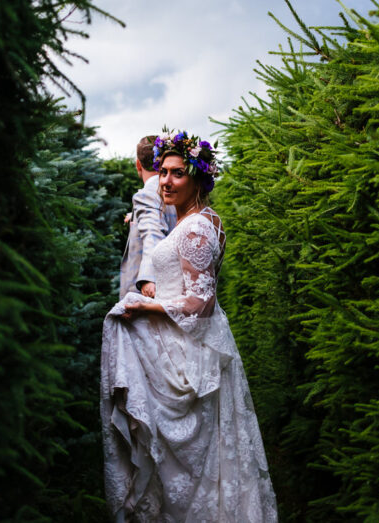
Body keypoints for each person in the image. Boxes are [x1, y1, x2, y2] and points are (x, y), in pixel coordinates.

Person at [101, 131, 279, 522]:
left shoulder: (196, 227)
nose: (165, 181)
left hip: (188, 352)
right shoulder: (198, 221)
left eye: (177, 173)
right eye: (162, 172)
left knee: (192, 465)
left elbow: (201, 302)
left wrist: (148, 305)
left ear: (197, 179)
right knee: (195, 461)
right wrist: (154, 287)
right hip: (185, 343)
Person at [119, 135, 178, 300]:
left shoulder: (147, 195)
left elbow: (153, 234)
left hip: (146, 297)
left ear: (138, 164)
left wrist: (148, 278)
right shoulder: (176, 192)